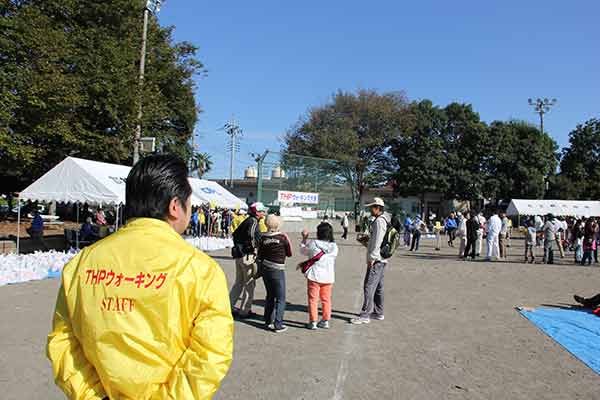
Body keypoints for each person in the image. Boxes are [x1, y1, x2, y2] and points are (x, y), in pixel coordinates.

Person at [47, 155, 233, 399]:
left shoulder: (83, 263)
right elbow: (210, 354)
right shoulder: (201, 270)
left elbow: (63, 340)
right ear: (175, 206)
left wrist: (91, 395)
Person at [351, 198, 389, 325]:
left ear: (378, 208)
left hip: (376, 259)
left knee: (368, 286)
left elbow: (377, 241)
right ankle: (378, 312)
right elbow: (376, 240)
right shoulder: (384, 219)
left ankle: (365, 314)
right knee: (378, 287)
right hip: (382, 259)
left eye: (372, 207)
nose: (370, 209)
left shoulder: (379, 222)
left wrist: (371, 258)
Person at [230, 202, 266, 317]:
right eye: (262, 211)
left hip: (239, 255)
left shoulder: (247, 220)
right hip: (247, 256)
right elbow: (251, 236)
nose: (264, 213)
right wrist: (254, 249)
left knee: (238, 283)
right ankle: (245, 310)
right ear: (257, 212)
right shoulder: (253, 221)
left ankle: (229, 306)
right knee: (249, 284)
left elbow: (235, 235)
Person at [257, 215, 292, 333]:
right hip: (277, 269)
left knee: (270, 295)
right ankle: (278, 324)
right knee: (281, 298)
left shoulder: (262, 238)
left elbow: (260, 255)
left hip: (266, 268)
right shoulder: (282, 237)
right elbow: (289, 253)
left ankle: (268, 320)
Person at [300, 223, 339, 330]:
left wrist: (304, 239)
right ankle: (325, 320)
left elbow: (303, 251)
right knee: (326, 299)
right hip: (328, 277)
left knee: (313, 300)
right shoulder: (334, 247)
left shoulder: (313, 243)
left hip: (315, 276)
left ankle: (313, 321)